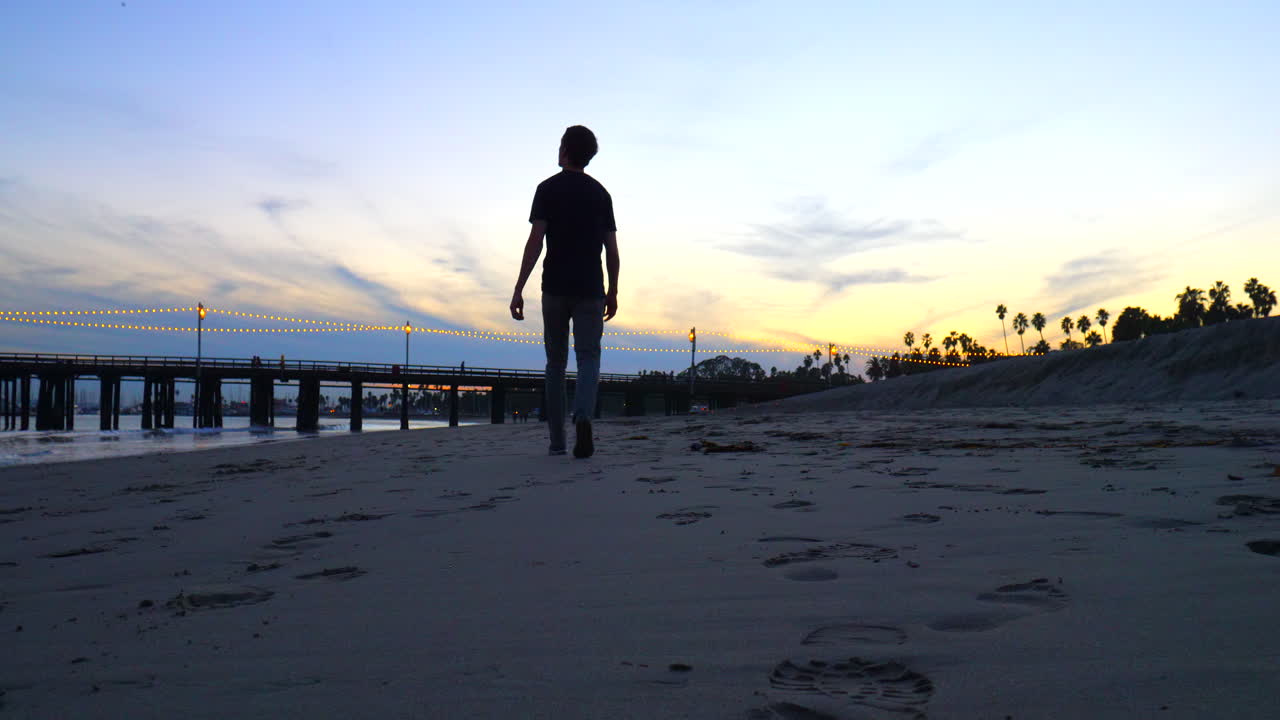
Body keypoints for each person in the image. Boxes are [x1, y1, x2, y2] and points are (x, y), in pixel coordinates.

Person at [510, 125, 619, 458]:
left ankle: (557, 441)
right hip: (590, 288)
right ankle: (583, 416)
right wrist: (613, 291)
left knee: (555, 364)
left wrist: (518, 288)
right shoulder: (601, 194)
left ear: (565, 151)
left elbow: (535, 243)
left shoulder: (547, 189)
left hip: (554, 288)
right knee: (588, 357)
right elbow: (612, 250)